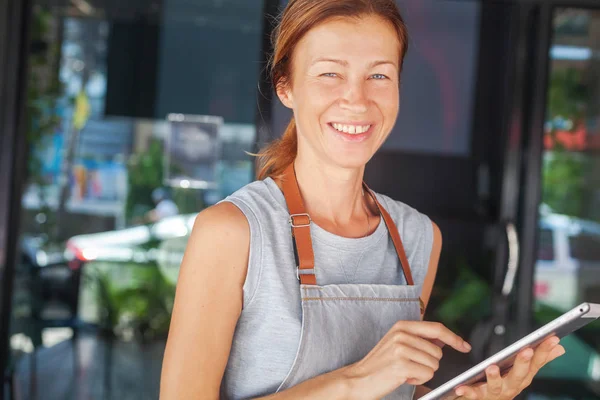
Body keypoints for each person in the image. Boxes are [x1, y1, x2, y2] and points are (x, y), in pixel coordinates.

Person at [160, 1, 566, 399]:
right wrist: (356, 381)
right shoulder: (233, 232)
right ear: (285, 85)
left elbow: (397, 391)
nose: (356, 100)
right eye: (330, 73)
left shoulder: (419, 237)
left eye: (379, 76)